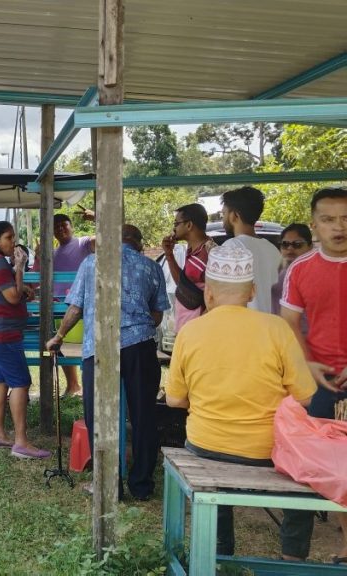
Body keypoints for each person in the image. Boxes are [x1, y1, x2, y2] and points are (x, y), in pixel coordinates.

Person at [166, 244, 317, 560]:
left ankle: (220, 550)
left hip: (205, 445)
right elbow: (305, 395)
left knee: (210, 472)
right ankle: (293, 556)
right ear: (252, 291)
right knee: (310, 477)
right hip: (267, 452)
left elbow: (175, 399)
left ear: (209, 295)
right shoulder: (276, 329)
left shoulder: (189, 333)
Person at [46, 225, 168, 500]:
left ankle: (108, 483)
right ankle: (141, 485)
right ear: (137, 243)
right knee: (143, 415)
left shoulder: (91, 263)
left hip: (100, 346)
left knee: (99, 415)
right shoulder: (151, 267)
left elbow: (75, 308)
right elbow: (157, 316)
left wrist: (59, 336)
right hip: (140, 346)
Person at [280, 187, 347, 563]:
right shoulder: (300, 269)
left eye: (345, 218)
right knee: (307, 465)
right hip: (317, 380)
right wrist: (305, 363)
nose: (339, 227)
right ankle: (292, 556)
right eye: (329, 219)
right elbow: (289, 321)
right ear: (314, 225)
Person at [0, 220, 49, 459]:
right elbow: (12, 297)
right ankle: (21, 442)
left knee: (0, 381)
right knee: (21, 382)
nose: (13, 242)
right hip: (1, 333)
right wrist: (19, 266)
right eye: (8, 238)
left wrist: (19, 283)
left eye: (14, 237)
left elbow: (10, 293)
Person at [46, 213, 95, 396]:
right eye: (56, 226)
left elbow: (109, 236)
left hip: (84, 306)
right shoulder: (52, 253)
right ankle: (73, 385)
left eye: (64, 225)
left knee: (85, 348)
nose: (60, 228)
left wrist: (97, 217)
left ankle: (91, 389)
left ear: (71, 226)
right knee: (60, 345)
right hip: (60, 307)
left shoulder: (84, 243)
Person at [220, 186, 281, 312]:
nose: (223, 219)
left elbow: (223, 296)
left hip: (246, 326)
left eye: (224, 213)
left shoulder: (231, 247)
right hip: (272, 326)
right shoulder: (272, 250)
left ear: (234, 216)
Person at [161, 203, 216, 332]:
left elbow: (217, 296)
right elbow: (182, 284)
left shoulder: (209, 253)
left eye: (176, 224)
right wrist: (169, 255)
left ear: (189, 225)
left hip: (199, 331)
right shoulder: (193, 250)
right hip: (188, 329)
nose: (174, 229)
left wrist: (199, 327)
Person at [270, 223, 312, 317]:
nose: (290, 248)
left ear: (310, 246)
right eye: (285, 244)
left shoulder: (314, 273)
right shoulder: (278, 269)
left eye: (297, 244)